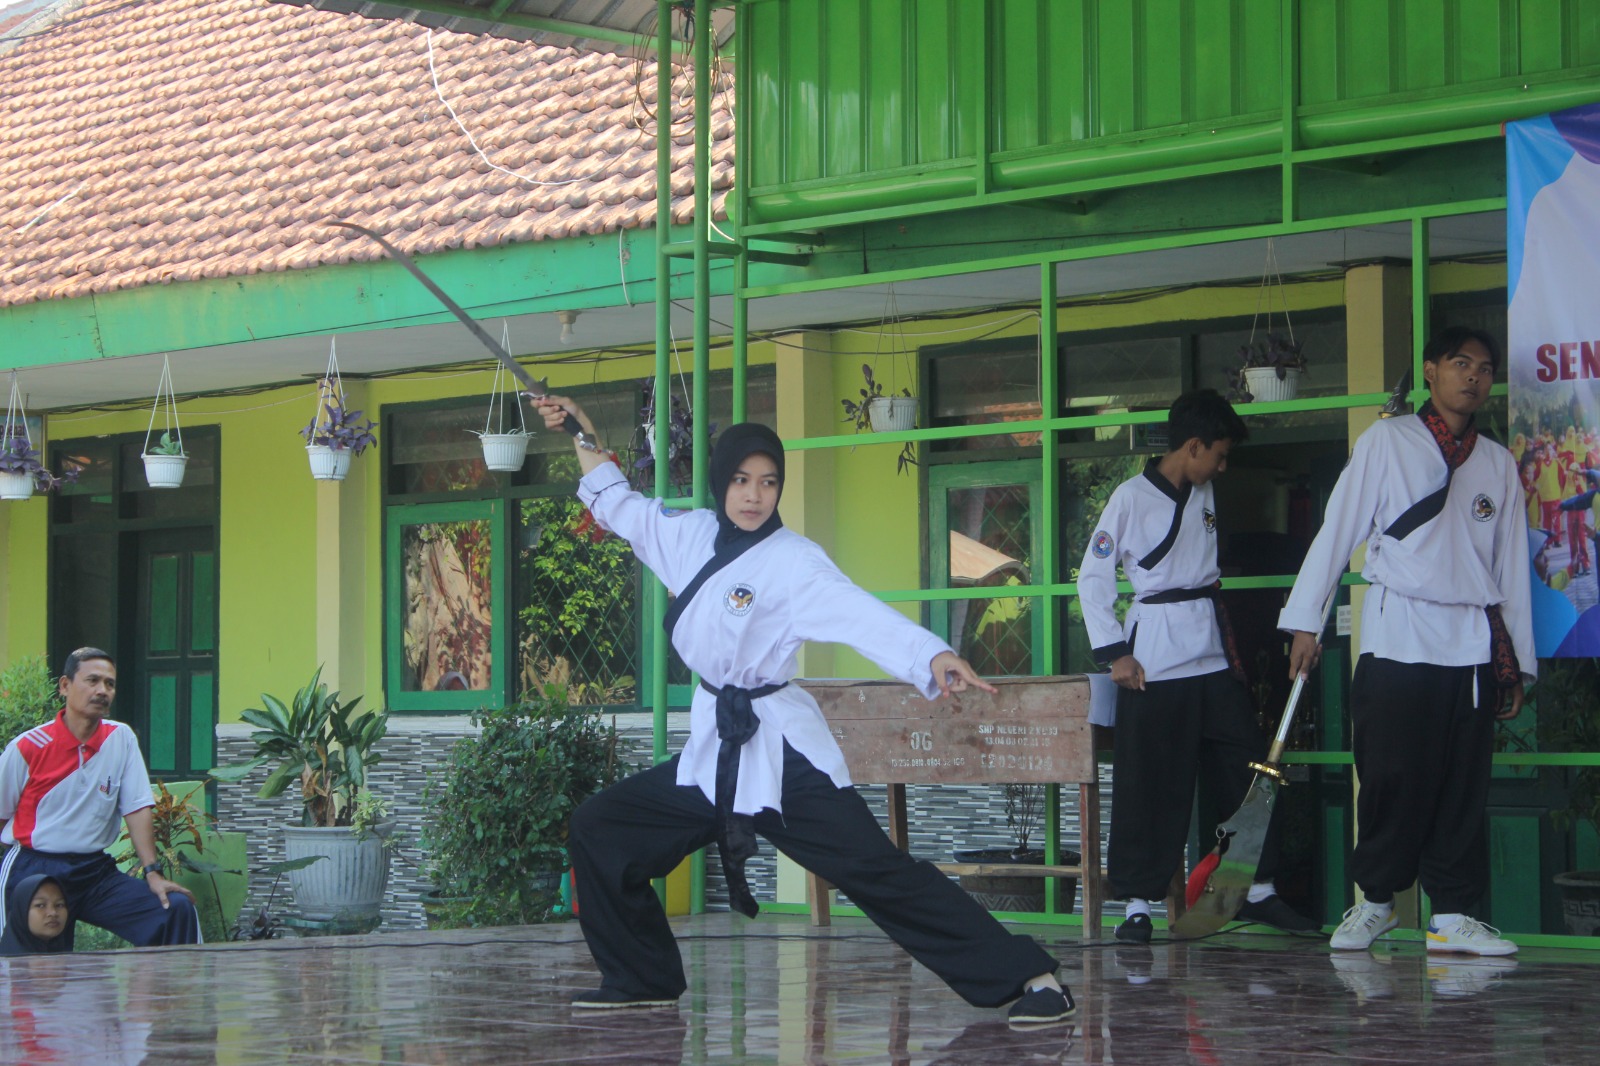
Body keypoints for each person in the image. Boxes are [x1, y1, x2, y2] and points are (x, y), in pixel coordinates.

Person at [533, 396, 1074, 1027]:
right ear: (721, 481)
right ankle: (640, 977)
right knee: (601, 828)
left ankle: (1033, 977)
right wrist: (580, 429)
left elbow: (857, 612)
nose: (753, 495)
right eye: (741, 480)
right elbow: (616, 501)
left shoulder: (794, 560)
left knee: (877, 873)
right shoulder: (688, 536)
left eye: (768, 482)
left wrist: (930, 655)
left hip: (782, 755)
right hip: (716, 753)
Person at [1279, 327, 1534, 955]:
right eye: (1459, 363)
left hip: (1470, 643)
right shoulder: (1387, 441)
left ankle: (1451, 917)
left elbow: (1510, 571)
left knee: (1461, 784)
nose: (1472, 376)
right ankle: (1376, 902)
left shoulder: (1497, 463)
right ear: (1430, 370)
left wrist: (1518, 666)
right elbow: (1337, 532)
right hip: (1398, 635)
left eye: (1484, 368)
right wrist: (1306, 621)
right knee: (1390, 777)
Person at [1078, 388, 1317, 943]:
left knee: (1248, 766)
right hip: (1153, 659)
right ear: (1192, 446)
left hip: (1209, 651)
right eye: (1220, 454)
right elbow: (1092, 578)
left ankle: (1256, 887)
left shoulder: (1203, 490)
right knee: (1150, 780)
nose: (1223, 466)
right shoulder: (1130, 498)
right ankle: (1137, 904)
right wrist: (1115, 652)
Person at [0, 648, 200, 949]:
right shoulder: (28, 747)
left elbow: (137, 807)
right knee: (32, 969)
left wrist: (153, 873)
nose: (102, 690)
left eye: (109, 683)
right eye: (92, 681)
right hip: (35, 871)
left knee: (174, 909)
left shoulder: (121, 738)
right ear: (65, 685)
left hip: (95, 872)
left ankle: (171, 982)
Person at [0, 874, 73, 955]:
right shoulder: (7, 961)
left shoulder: (65, 958)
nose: (53, 912)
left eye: (59, 905)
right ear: (21, 911)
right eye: (40, 905)